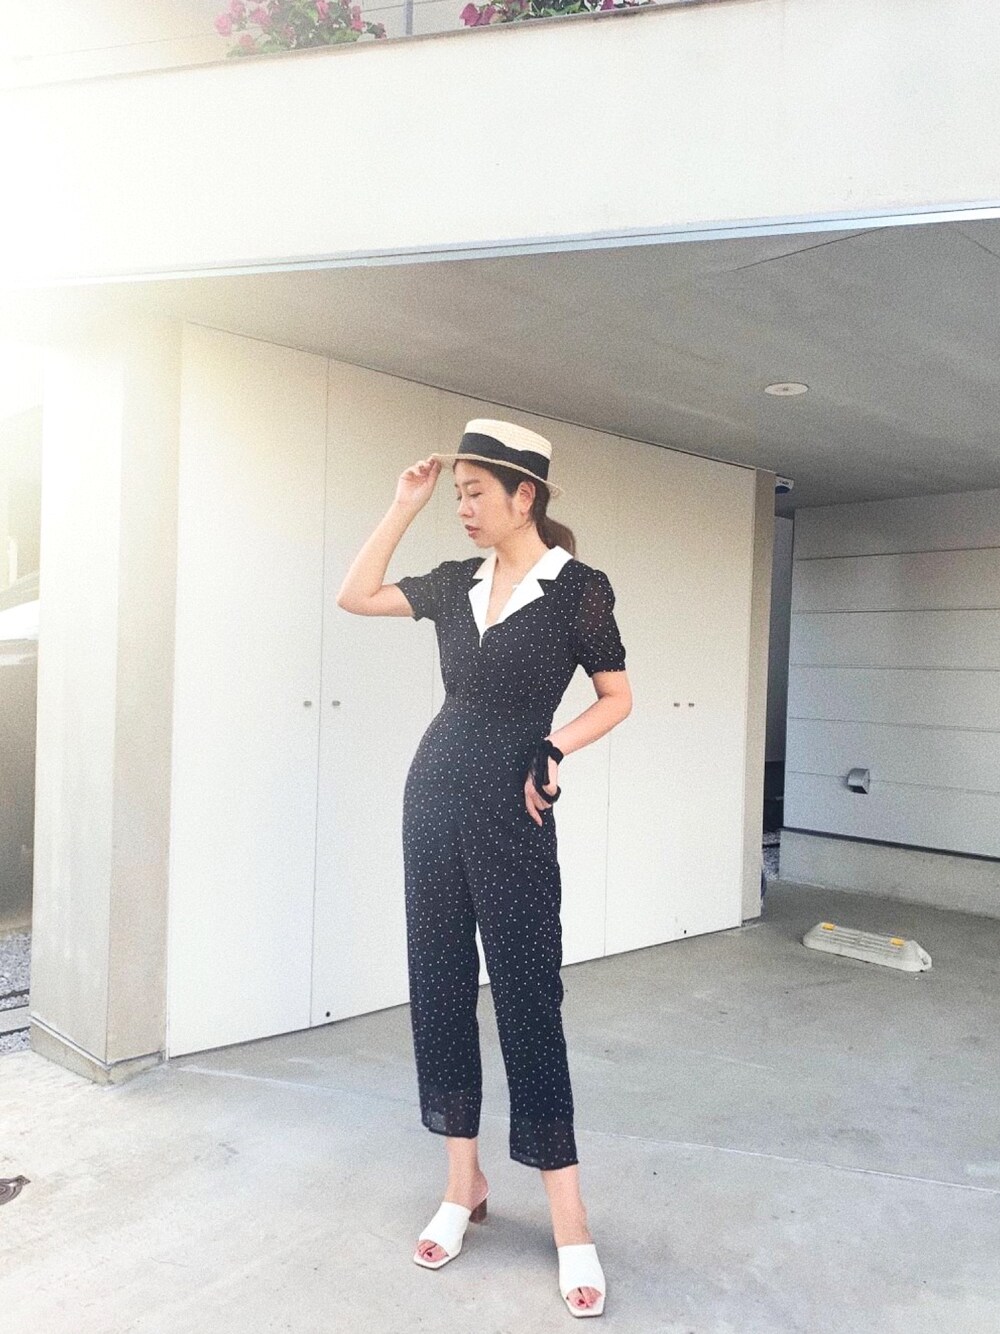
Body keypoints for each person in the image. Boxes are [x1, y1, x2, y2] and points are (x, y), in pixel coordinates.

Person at [336, 418, 632, 1318]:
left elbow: (616, 696)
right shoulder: (454, 582)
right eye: (457, 493)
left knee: (529, 997)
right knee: (437, 986)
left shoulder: (579, 590)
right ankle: (462, 1182)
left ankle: (570, 1219)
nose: (461, 507)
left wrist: (555, 745)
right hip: (431, 797)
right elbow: (355, 595)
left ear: (523, 496)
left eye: (474, 493)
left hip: (513, 809)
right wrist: (403, 504)